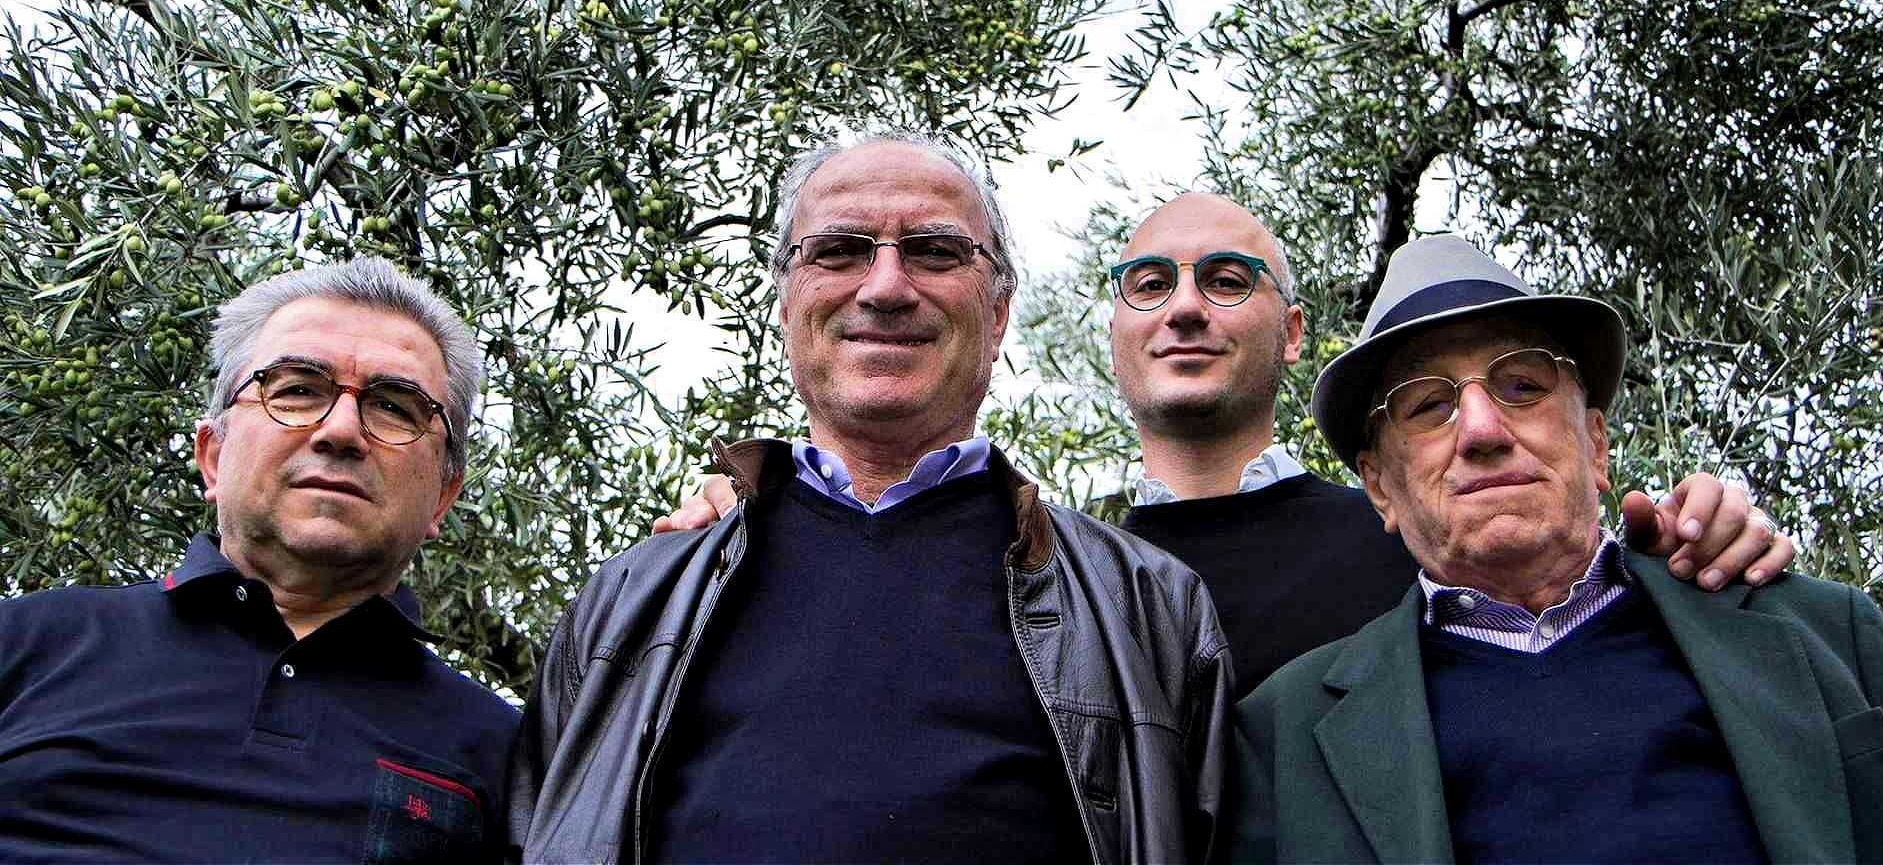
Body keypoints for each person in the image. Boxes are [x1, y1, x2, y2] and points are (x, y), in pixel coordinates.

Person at [662, 192, 1794, 695]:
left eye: (1228, 278)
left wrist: (1687, 534)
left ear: (1295, 332)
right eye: (1148, 284)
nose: (1186, 308)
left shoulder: (1422, 538)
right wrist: (757, 528)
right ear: (1114, 335)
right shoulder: (1048, 573)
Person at [508, 135, 1232, 864]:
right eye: (839, 251)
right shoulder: (632, 602)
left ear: (1000, 312)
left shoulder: (1150, 610)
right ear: (786, 307)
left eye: (937, 252)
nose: (886, 287)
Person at [1232, 234, 1883, 863]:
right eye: (1426, 406)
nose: (1481, 428)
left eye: (1523, 386)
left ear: (1596, 444)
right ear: (1380, 488)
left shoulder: (1824, 633)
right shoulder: (1285, 736)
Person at [0, 256, 519, 862]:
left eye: (395, 407)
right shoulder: (26, 646)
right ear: (213, 456)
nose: (342, 430)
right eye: (298, 390)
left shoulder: (500, 752)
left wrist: (660, 579)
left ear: (443, 497)